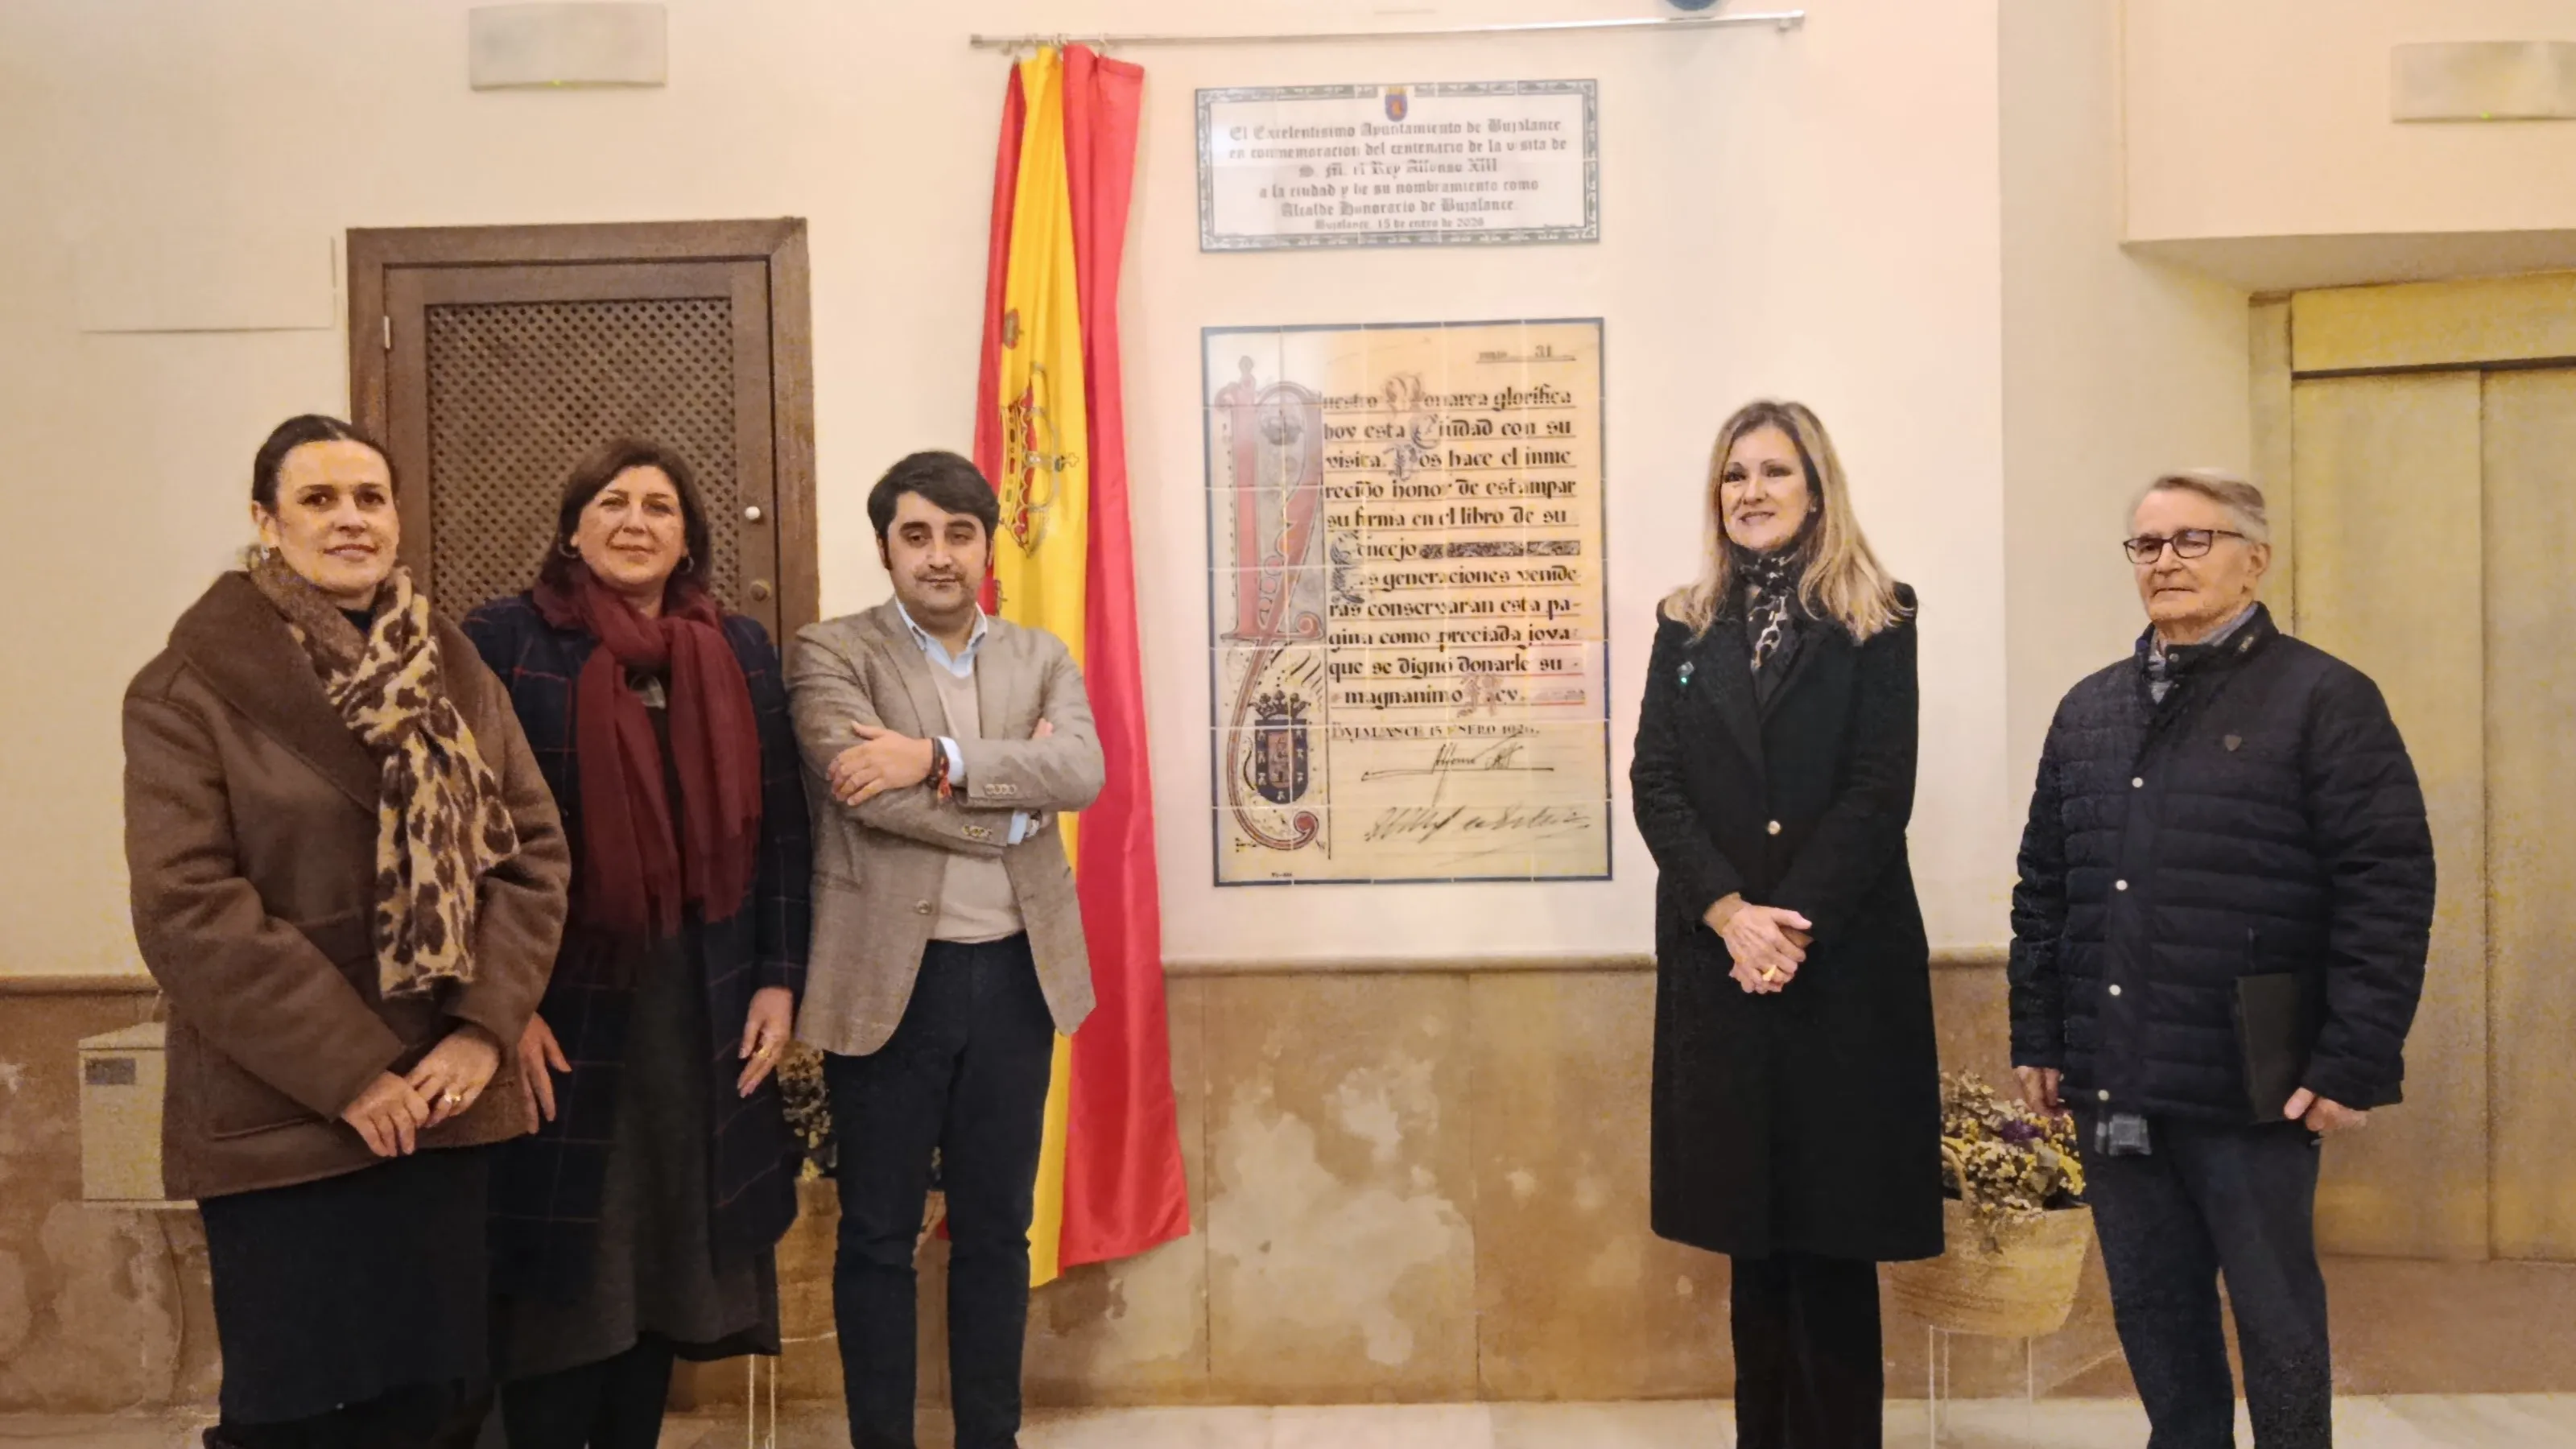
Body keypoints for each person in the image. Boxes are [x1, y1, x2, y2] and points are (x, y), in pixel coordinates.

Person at [123, 414, 569, 1449]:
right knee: (298, 1412)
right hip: (287, 1111)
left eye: (369, 498)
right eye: (318, 499)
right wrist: (351, 1073)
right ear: (264, 520)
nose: (350, 520)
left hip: (441, 1095)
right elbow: (187, 905)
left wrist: (480, 1031)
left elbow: (532, 856)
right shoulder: (187, 687)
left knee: (440, 1403)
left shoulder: (453, 669)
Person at [2008, 470, 2434, 1449]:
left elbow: (2387, 885)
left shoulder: (2323, 697)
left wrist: (2350, 1061)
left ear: (2255, 561)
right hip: (2114, 1074)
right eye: (2146, 546)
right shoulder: (2087, 711)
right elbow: (2044, 886)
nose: (2165, 562)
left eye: (2192, 540)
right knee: (2154, 1318)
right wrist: (2038, 1032)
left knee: (2275, 1318)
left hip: (2253, 1082)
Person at [461, 440, 812, 1449]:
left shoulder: (735, 648)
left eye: (659, 506)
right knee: (561, 1271)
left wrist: (780, 985)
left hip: (699, 1003)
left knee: (664, 1265)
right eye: (610, 503)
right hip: (559, 1005)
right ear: (572, 529)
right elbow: (465, 840)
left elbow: (783, 833)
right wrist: (501, 1005)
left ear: (688, 537)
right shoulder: (506, 642)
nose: (635, 521)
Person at [1630, 399, 1941, 1449]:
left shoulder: (1878, 615)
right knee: (1751, 1242)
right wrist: (1729, 915)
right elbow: (1656, 783)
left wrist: (1787, 928)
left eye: (1773, 473)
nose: (1750, 493)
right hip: (1725, 972)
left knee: (1833, 1242)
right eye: (1734, 476)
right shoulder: (1685, 621)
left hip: (1839, 974)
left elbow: (1876, 789)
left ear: (1816, 489)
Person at [788, 449, 1104, 1449]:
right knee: (877, 1235)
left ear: (985, 547)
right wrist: (1014, 812)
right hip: (890, 980)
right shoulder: (829, 652)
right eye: (916, 534)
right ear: (883, 546)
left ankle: (989, 1439)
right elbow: (859, 789)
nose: (938, 556)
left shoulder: (1040, 656)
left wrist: (935, 759)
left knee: (995, 1234)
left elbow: (1082, 769)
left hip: (1016, 974)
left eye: (958, 534)